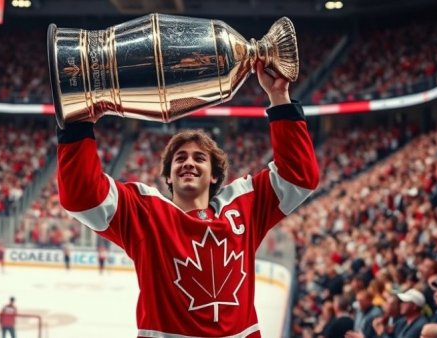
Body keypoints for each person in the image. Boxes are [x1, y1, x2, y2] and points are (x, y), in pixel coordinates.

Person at [56, 62, 319, 337]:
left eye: (199, 158)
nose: (188, 163)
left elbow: (299, 177)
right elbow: (82, 197)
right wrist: (78, 126)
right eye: (179, 159)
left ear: (215, 176)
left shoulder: (244, 206)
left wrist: (279, 98)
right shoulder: (146, 213)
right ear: (168, 177)